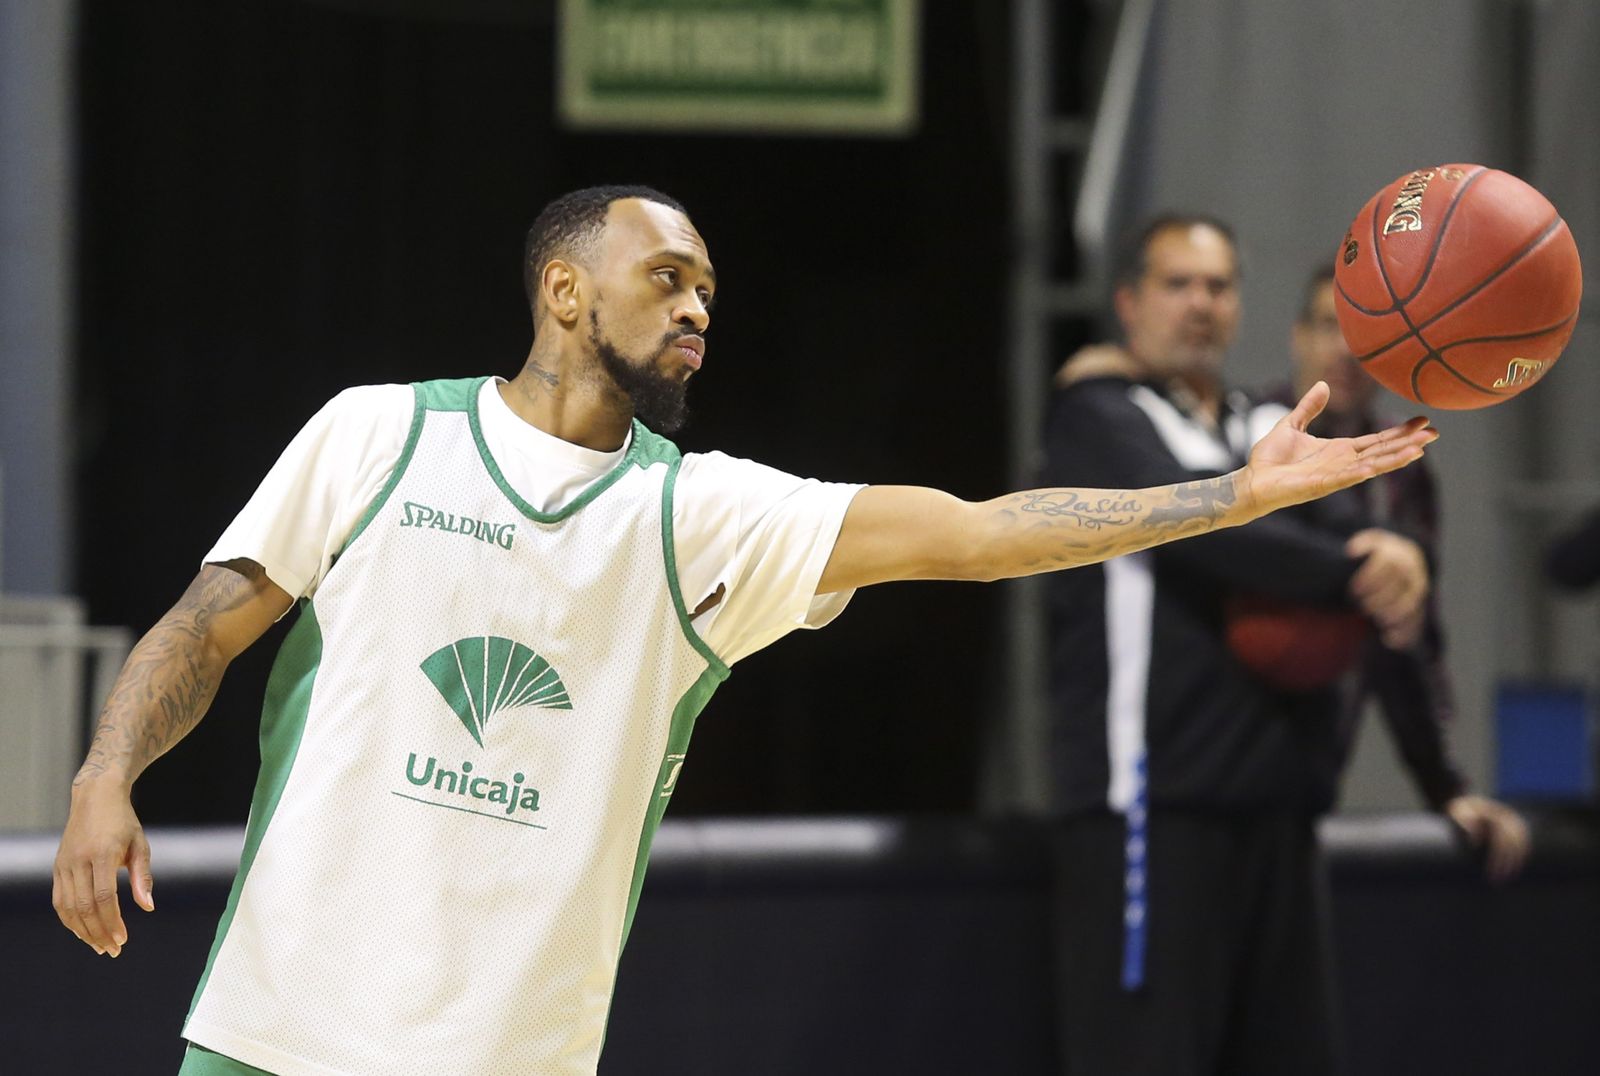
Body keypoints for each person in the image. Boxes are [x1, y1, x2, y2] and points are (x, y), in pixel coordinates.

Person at [51, 187, 1434, 1076]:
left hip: (508, 1054)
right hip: (275, 1031)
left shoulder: (707, 517)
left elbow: (974, 532)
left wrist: (1233, 496)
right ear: (565, 291)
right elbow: (204, 626)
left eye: (712, 285)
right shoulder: (377, 433)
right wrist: (107, 777)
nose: (701, 302)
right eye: (668, 276)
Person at [1040, 216, 1446, 1076]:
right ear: (1129, 303)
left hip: (1278, 796)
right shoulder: (1099, 414)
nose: (1200, 304)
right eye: (1178, 284)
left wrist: (1394, 555)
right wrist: (1352, 569)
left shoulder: (1253, 423)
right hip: (1150, 804)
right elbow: (1209, 536)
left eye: (1218, 286)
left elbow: (1345, 532)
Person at [1272, 265, 1528, 879]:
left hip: (1307, 783)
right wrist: (1370, 556)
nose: (1346, 350)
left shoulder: (1403, 469)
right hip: (1214, 770)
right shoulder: (1242, 433)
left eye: (1366, 337)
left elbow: (1409, 641)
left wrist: (1446, 786)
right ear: (1297, 335)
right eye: (1331, 327)